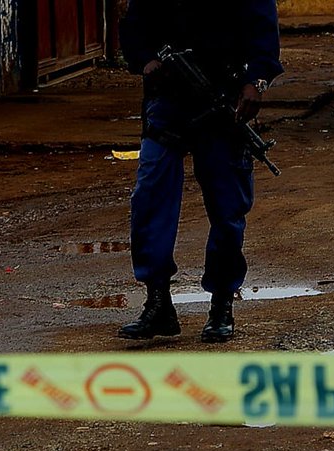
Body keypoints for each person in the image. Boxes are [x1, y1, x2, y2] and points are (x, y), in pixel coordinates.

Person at [118, 0, 283, 343]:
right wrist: (146, 61)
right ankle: (158, 302)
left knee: (227, 207)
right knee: (150, 197)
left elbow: (263, 29)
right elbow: (134, 24)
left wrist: (257, 82)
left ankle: (222, 305)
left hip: (223, 99)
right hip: (167, 99)